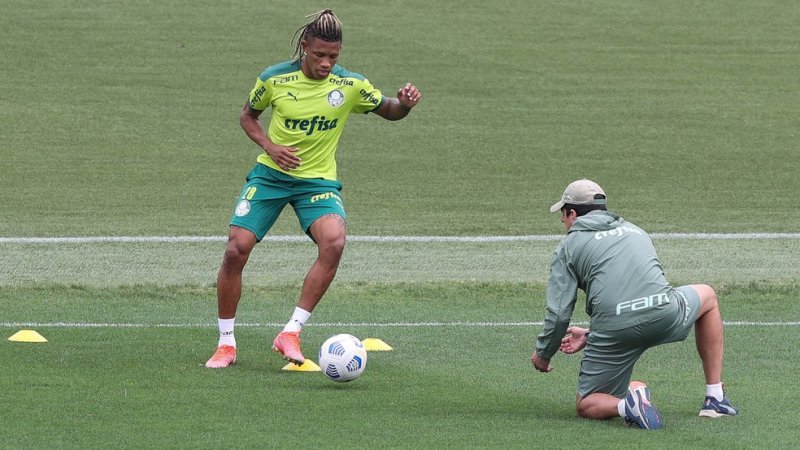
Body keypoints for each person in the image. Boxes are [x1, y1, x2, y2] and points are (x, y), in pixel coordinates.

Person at [205, 9, 421, 368]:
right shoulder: (274, 79)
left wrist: (406, 105)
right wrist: (270, 146)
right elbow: (248, 116)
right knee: (235, 249)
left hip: (317, 182)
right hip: (271, 176)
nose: (325, 63)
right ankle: (226, 343)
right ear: (305, 45)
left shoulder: (350, 85)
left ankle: (291, 332)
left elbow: (388, 109)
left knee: (334, 242)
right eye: (319, 54)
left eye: (332, 57)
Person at [531, 179, 738, 429]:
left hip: (615, 331)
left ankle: (627, 406)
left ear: (572, 214)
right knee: (708, 296)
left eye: (563, 214)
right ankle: (715, 398)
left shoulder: (568, 246)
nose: (562, 221)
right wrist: (590, 334)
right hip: (664, 313)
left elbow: (559, 315)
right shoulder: (635, 230)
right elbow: (639, 292)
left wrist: (543, 354)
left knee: (586, 403)